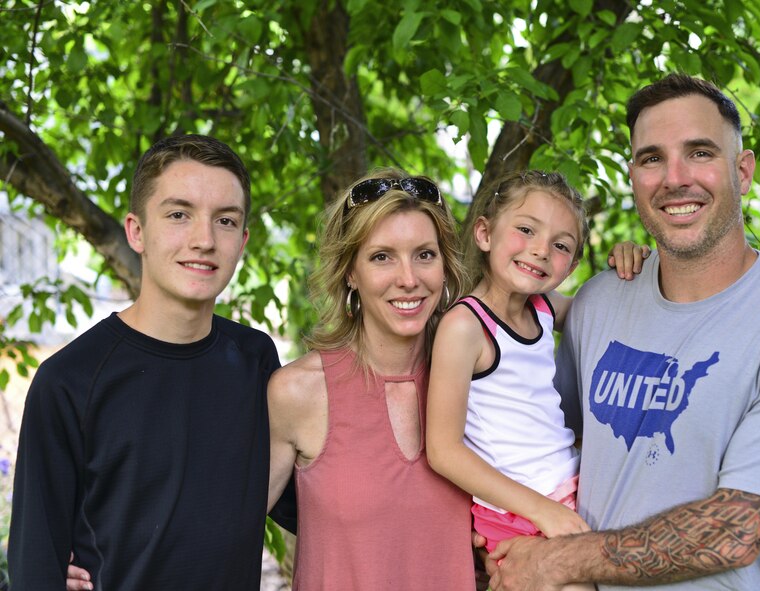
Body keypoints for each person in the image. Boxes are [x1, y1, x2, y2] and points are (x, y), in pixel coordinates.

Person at [484, 73, 760, 590]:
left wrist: (554, 562)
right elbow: (527, 438)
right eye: (652, 158)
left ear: (743, 171)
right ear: (634, 176)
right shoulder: (598, 302)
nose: (675, 177)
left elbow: (736, 529)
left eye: (701, 152)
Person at [9, 135, 284, 590]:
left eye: (226, 221)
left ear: (243, 240)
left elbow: (319, 497)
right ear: (136, 231)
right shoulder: (69, 381)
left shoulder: (256, 361)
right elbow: (35, 565)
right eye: (179, 214)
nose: (204, 240)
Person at [426, 170, 646, 574]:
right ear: (484, 234)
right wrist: (543, 511)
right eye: (526, 229)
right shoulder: (466, 327)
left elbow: (607, 311)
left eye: (560, 245)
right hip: (518, 514)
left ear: (573, 262)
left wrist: (630, 263)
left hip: (569, 491)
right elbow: (444, 451)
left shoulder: (544, 307)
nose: (541, 250)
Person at [266, 169, 476, 590]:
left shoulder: (481, 381)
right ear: (350, 272)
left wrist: (630, 278)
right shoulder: (299, 392)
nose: (409, 279)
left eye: (424, 254)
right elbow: (225, 533)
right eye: (382, 256)